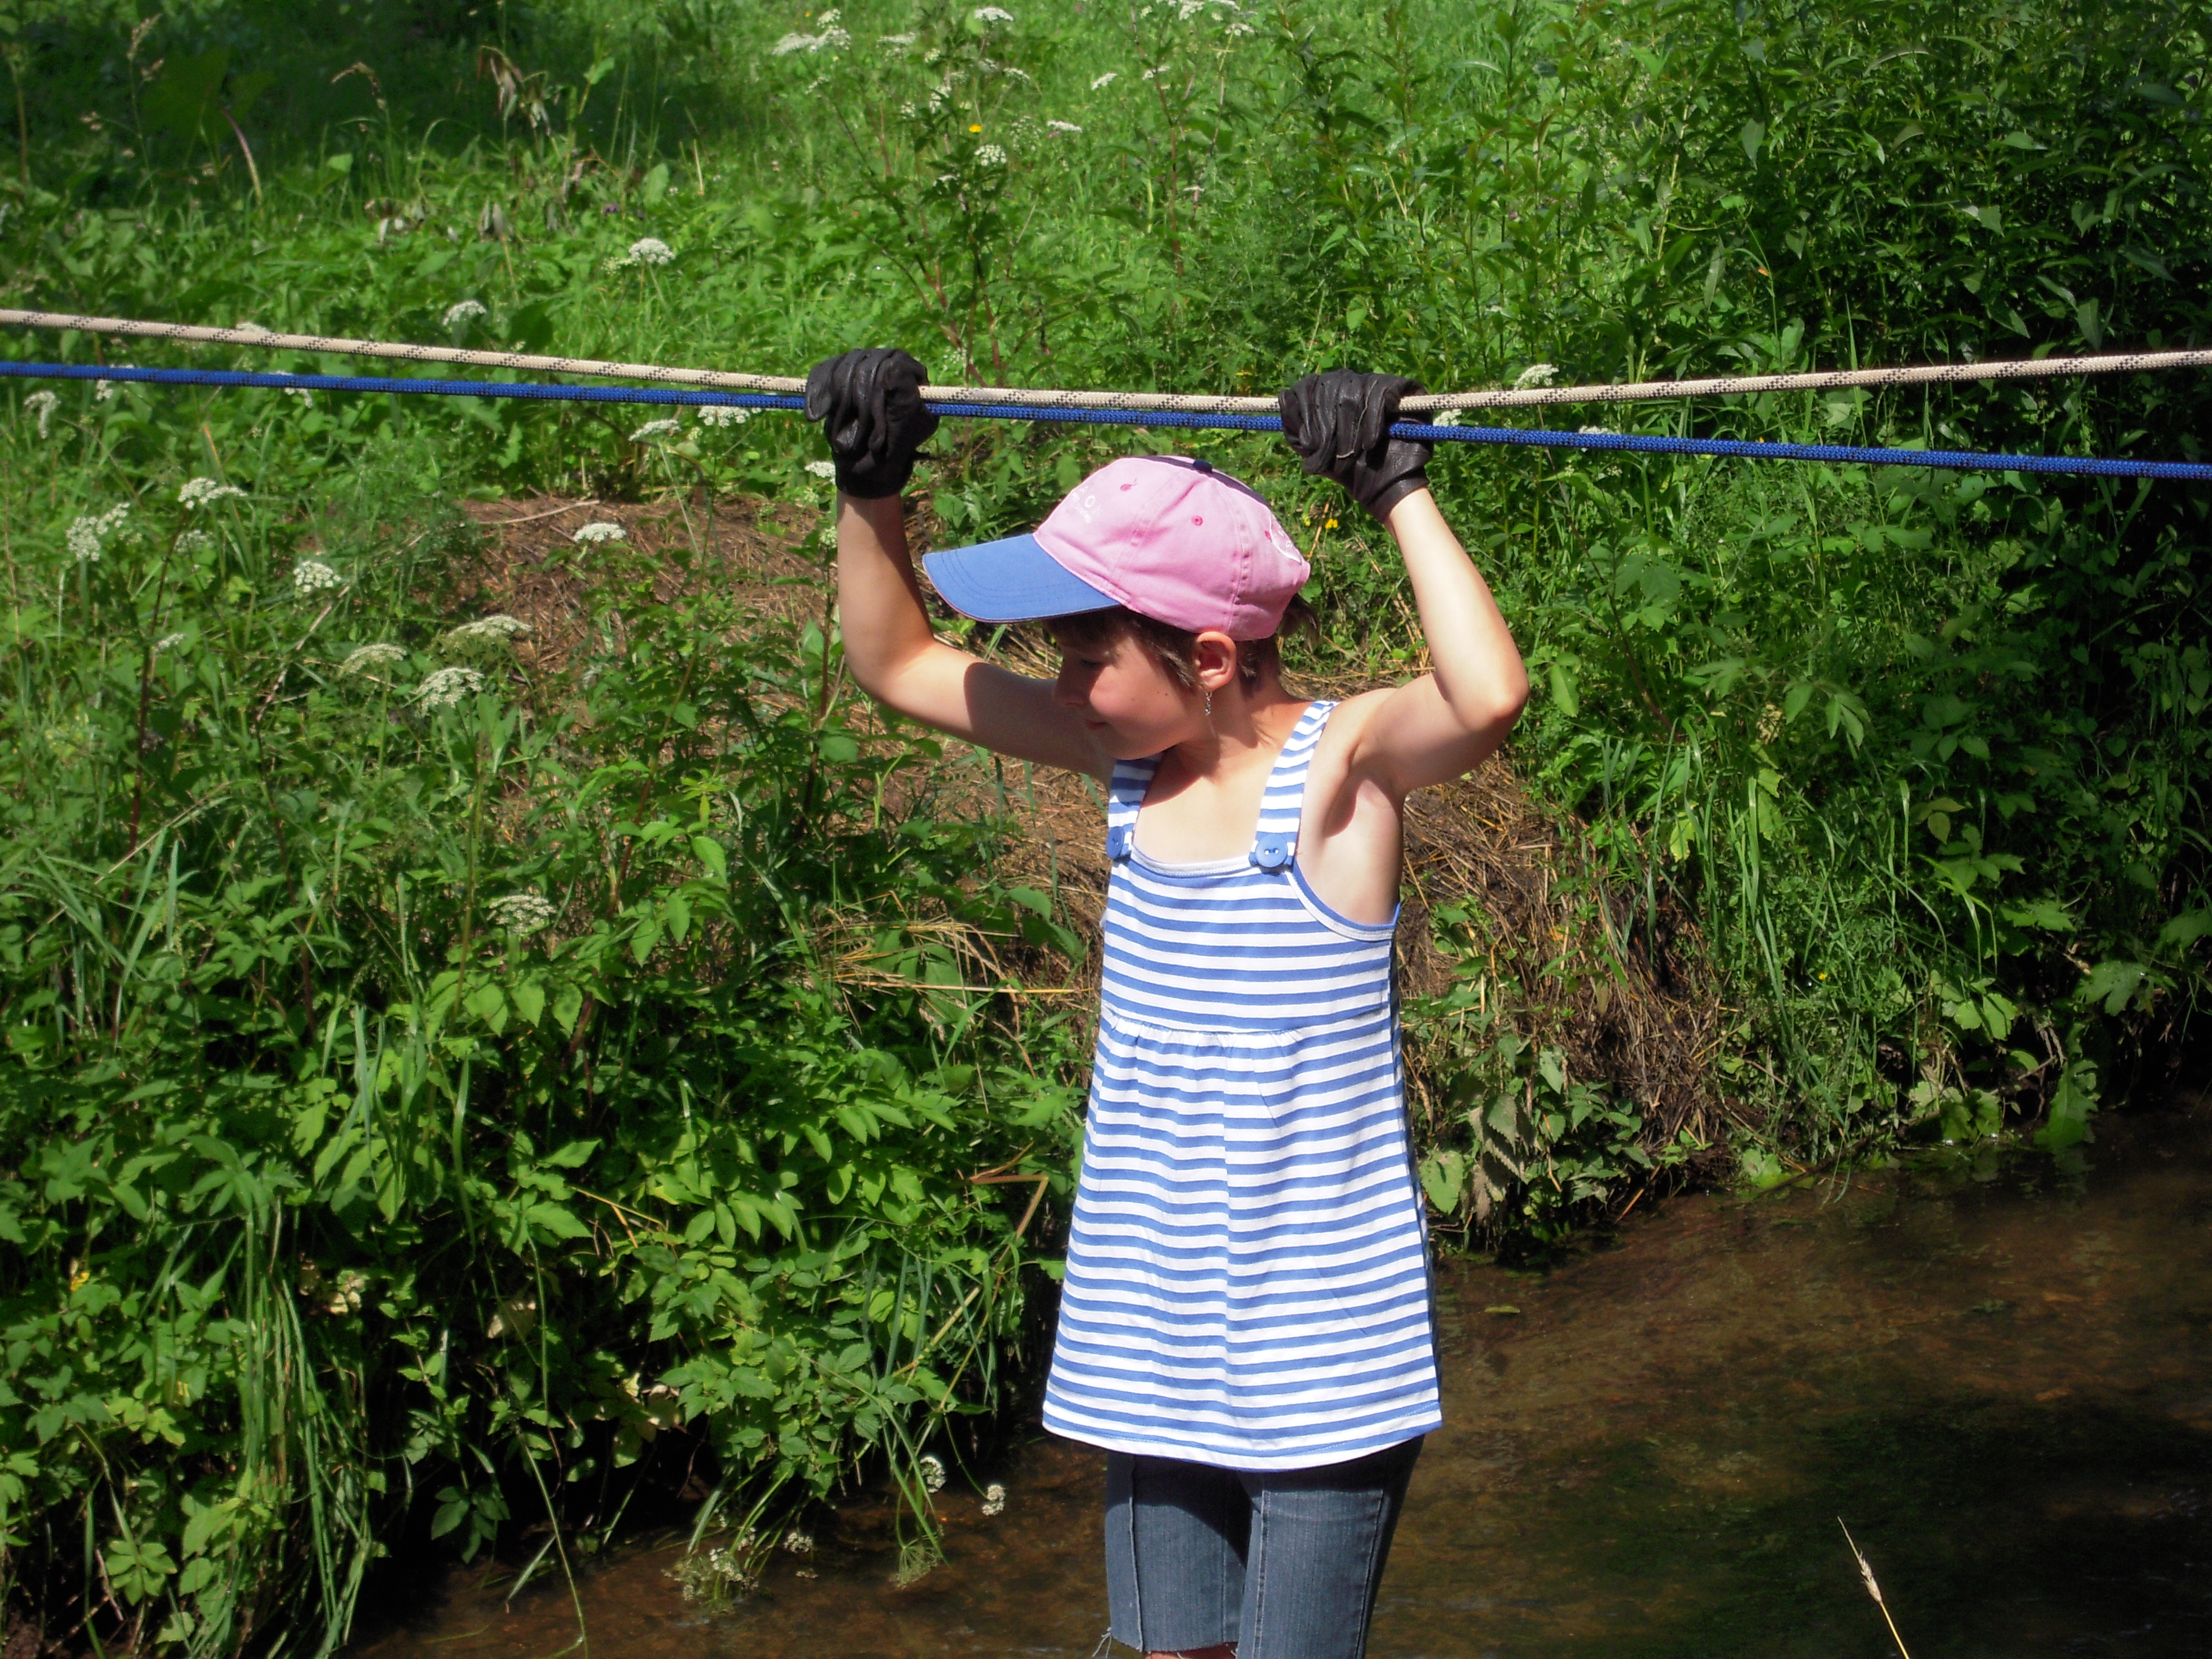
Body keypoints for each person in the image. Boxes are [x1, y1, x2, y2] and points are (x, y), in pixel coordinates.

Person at [808, 351, 1528, 1659]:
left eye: (1085, 653)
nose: (1060, 682)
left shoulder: (1343, 772)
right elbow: (898, 661)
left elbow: (1487, 696)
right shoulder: (1126, 761)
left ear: (1207, 654)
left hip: (1321, 1358)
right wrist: (872, 487)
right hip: (1153, 1339)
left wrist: (1395, 489)